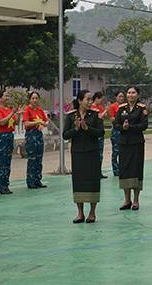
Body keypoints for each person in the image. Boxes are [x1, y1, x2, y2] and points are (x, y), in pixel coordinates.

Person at [63, 90, 104, 223]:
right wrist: (76, 129)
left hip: (92, 152)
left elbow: (100, 132)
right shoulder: (71, 116)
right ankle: (80, 213)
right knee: (79, 181)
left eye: (91, 99)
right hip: (78, 153)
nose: (90, 102)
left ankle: (92, 212)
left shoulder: (95, 115)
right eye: (88, 99)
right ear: (80, 101)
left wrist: (87, 129)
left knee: (92, 181)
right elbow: (65, 135)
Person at [117, 86, 149, 210]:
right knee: (124, 170)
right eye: (129, 93)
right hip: (124, 143)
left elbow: (144, 125)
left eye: (133, 93)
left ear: (138, 95)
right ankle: (127, 200)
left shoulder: (142, 109)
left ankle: (136, 200)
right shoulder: (122, 109)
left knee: (136, 170)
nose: (130, 95)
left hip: (136, 143)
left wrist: (130, 127)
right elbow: (116, 125)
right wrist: (123, 128)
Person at [0, 89, 25, 194]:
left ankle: (5, 185)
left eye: (8, 96)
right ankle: (0, 186)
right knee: (1, 162)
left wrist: (18, 114)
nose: (8, 98)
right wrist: (13, 113)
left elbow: (16, 123)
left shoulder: (9, 110)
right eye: (5, 96)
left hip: (9, 136)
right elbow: (1, 122)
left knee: (7, 162)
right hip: (0, 137)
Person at [23, 91, 48, 189]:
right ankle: (30, 181)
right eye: (33, 98)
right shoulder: (27, 110)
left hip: (39, 135)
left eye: (36, 98)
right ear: (29, 99)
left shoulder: (40, 110)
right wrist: (38, 122)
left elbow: (46, 121)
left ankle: (38, 179)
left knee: (39, 158)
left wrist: (42, 124)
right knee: (32, 159)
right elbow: (26, 123)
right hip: (31, 135)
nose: (35, 100)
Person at [91, 91, 108, 179]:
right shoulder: (92, 108)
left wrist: (105, 110)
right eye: (101, 100)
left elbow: (105, 116)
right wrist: (106, 110)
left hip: (100, 131)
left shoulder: (100, 107)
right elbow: (99, 116)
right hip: (95, 131)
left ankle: (99, 171)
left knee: (100, 153)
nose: (102, 102)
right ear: (96, 99)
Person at [108, 90, 125, 177]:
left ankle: (122, 168)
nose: (121, 98)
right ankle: (115, 169)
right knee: (115, 151)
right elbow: (111, 119)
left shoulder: (125, 106)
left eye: (122, 97)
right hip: (116, 130)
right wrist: (119, 118)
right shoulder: (113, 106)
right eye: (119, 97)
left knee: (123, 151)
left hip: (123, 129)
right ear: (116, 97)